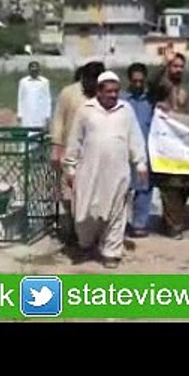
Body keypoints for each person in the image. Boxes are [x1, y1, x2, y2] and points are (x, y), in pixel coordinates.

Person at [63, 71, 148, 268]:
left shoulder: (125, 110)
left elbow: (135, 138)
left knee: (117, 212)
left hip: (118, 171)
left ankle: (111, 251)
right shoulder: (86, 110)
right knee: (85, 212)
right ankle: (85, 243)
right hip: (89, 171)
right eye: (108, 91)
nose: (112, 95)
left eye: (116, 91)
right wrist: (70, 167)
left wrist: (140, 163)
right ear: (99, 92)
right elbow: (75, 140)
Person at [50, 61, 105, 243]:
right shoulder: (69, 93)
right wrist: (56, 148)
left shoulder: (104, 95)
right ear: (84, 77)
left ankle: (90, 234)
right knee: (68, 194)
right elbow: (58, 120)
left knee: (93, 196)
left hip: (95, 154)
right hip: (70, 152)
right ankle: (73, 231)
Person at [150, 53, 189, 239]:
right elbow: (152, 82)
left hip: (185, 142)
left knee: (186, 185)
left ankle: (171, 219)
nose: (177, 69)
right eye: (174, 66)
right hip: (167, 141)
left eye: (180, 66)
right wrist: (163, 64)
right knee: (170, 185)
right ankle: (173, 226)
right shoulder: (162, 87)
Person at [122, 63, 155, 238]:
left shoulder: (151, 100)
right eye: (134, 81)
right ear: (129, 80)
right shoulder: (120, 100)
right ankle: (118, 224)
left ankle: (139, 224)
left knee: (144, 189)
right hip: (123, 151)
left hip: (146, 151)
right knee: (121, 189)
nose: (137, 84)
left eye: (141, 81)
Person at [17, 61, 52, 129]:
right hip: (27, 112)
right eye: (32, 67)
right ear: (29, 69)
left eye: (36, 67)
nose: (34, 69)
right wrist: (20, 113)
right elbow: (20, 98)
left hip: (40, 113)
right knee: (27, 131)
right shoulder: (23, 82)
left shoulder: (44, 82)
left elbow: (47, 99)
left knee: (39, 132)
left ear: (39, 69)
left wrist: (48, 114)